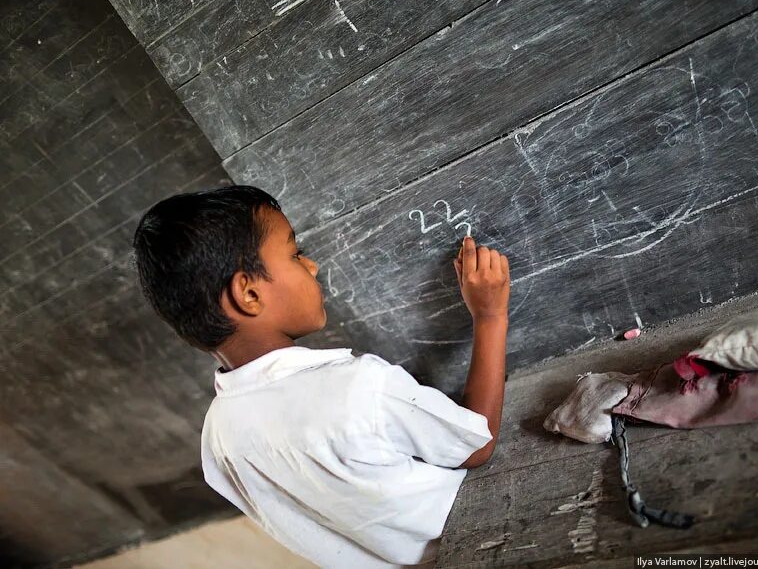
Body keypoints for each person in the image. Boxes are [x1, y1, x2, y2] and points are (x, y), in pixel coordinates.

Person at [131, 185, 510, 567]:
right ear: (248, 294)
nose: (311, 266)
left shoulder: (217, 441)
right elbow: (476, 446)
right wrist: (490, 317)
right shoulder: (359, 387)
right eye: (295, 254)